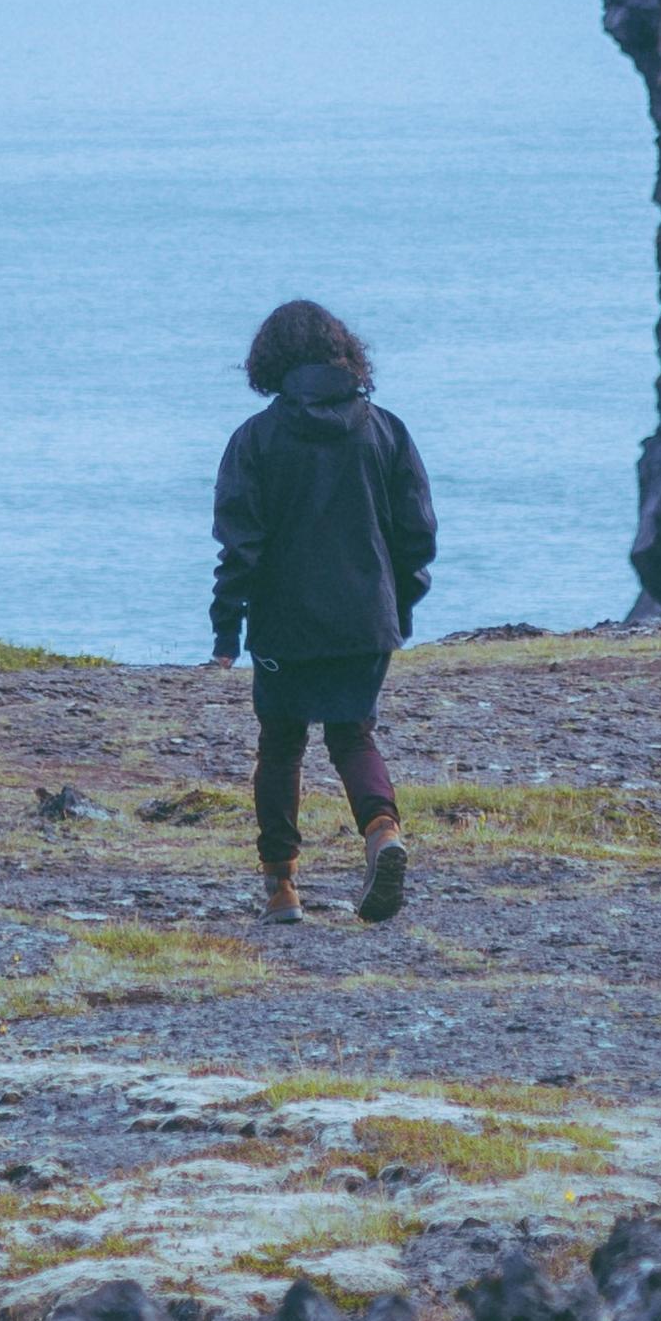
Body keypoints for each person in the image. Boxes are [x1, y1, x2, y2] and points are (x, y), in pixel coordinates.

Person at [209, 295, 434, 924]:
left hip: (285, 624)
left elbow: (240, 545)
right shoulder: (386, 429)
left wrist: (227, 629)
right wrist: (399, 608)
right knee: (352, 733)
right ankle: (382, 831)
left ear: (268, 361)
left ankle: (281, 888)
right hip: (368, 616)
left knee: (280, 745)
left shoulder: (255, 439)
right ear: (345, 353)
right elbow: (417, 535)